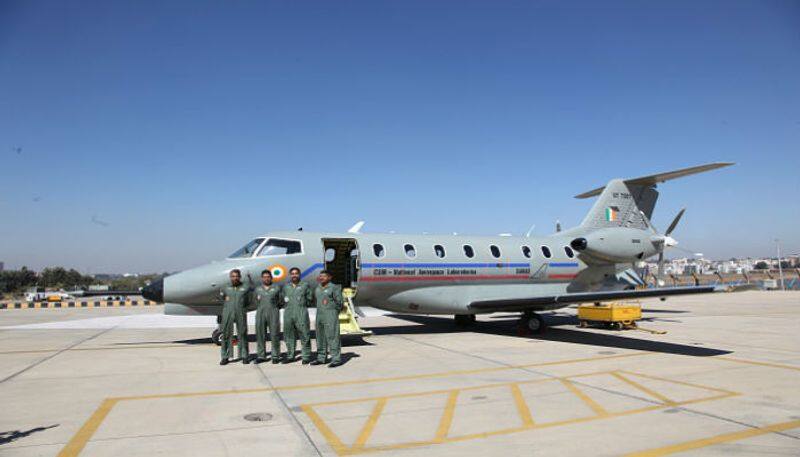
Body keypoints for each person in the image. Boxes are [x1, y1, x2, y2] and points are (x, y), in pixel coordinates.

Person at [311, 270, 344, 367]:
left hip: (330, 314)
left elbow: (340, 303)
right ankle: (321, 358)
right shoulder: (318, 288)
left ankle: (336, 359)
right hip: (319, 315)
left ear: (329, 277)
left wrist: (333, 312)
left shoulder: (334, 288)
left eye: (324, 276)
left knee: (332, 337)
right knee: (320, 337)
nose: (321, 278)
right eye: (320, 276)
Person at [219, 269, 251, 365]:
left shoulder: (245, 287)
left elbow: (248, 301)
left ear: (240, 277)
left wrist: (242, 307)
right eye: (233, 276)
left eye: (237, 276)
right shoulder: (225, 288)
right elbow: (222, 298)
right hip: (228, 312)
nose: (235, 278)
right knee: (226, 334)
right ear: (230, 277)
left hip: (240, 312)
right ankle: (225, 356)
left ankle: (244, 355)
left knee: (242, 333)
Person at [282, 267, 313, 364]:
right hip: (288, 313)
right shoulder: (286, 287)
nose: (294, 275)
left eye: (296, 273)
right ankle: (290, 355)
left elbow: (310, 298)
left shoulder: (305, 285)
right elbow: (282, 299)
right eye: (292, 273)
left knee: (304, 334)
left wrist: (302, 305)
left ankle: (306, 356)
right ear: (290, 275)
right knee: (288, 335)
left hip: (301, 312)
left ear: (299, 275)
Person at [252, 270, 282, 364]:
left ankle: (275, 356)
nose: (266, 278)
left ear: (271, 278)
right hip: (260, 312)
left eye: (268, 277)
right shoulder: (258, 289)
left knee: (274, 334)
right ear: (262, 278)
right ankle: (261, 356)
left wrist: (274, 307)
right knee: (260, 334)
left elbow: (280, 301)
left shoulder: (276, 288)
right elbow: (255, 301)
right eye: (264, 277)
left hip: (273, 312)